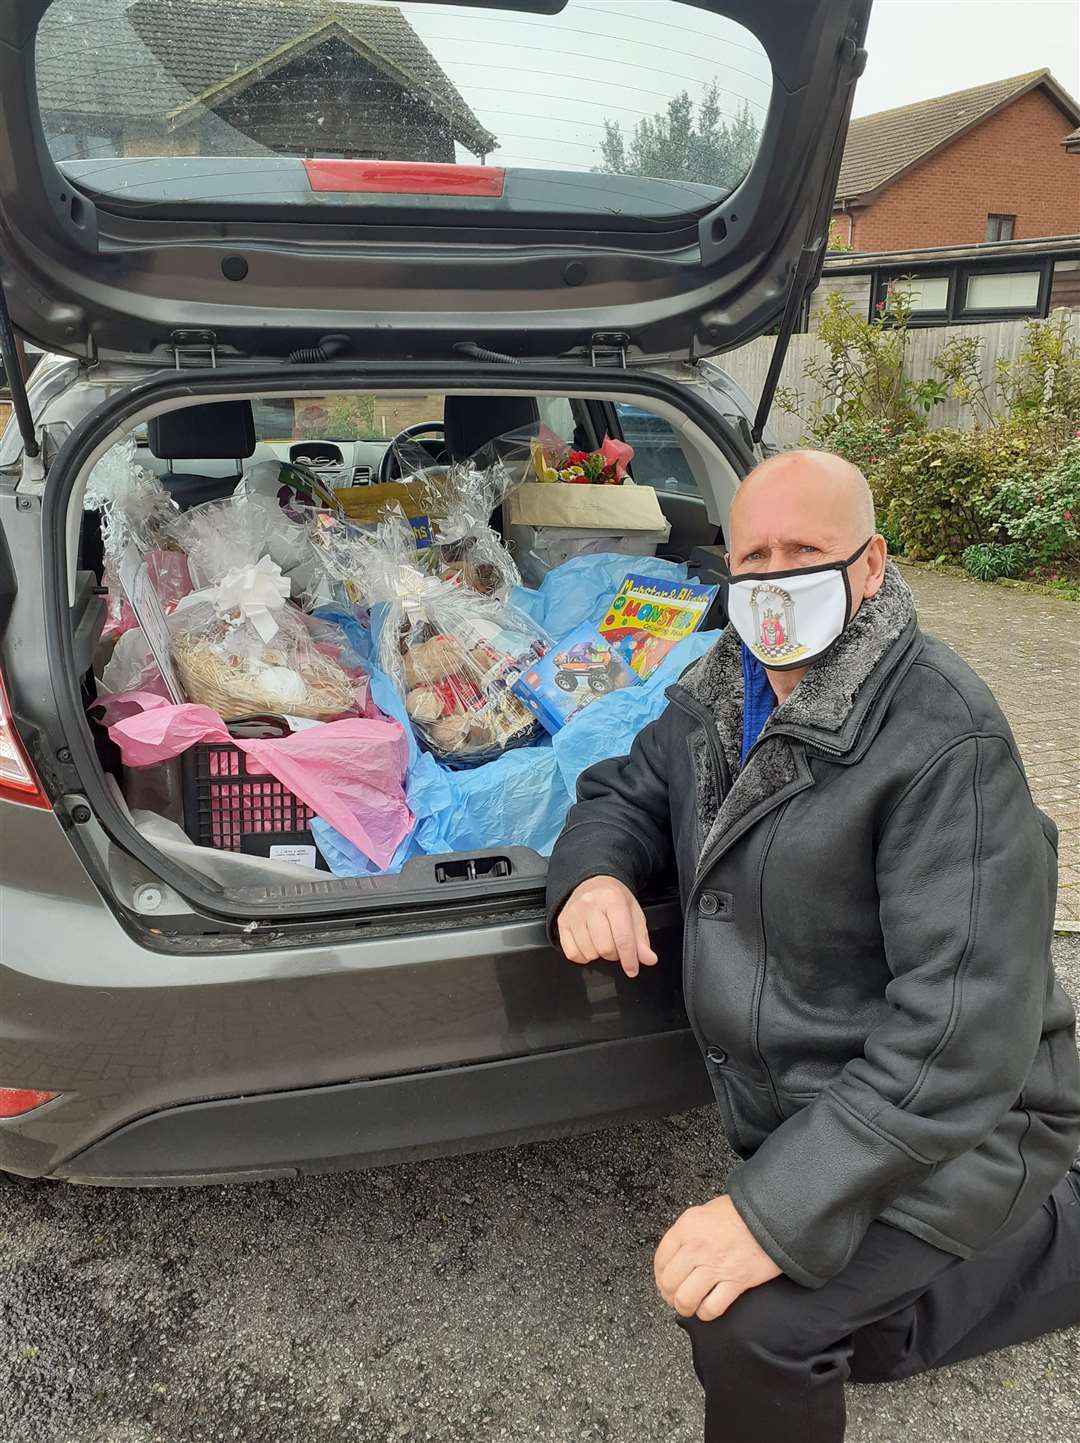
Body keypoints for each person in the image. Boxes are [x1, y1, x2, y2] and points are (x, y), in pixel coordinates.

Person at [544, 450, 1080, 1443]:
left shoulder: (945, 741)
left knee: (756, 1326)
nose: (776, 578)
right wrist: (597, 875)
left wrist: (767, 1215)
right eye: (754, 557)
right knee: (864, 1337)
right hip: (838, 1109)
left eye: (808, 551)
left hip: (970, 1123)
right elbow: (626, 788)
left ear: (870, 568)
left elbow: (959, 1038)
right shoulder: (723, 688)